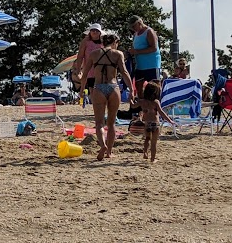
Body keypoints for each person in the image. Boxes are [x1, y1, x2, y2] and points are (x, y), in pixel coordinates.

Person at [86, 31, 131, 161]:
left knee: (99, 123)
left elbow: (85, 74)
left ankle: (103, 145)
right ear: (114, 42)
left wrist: (82, 89)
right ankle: (109, 152)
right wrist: (132, 90)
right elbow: (124, 72)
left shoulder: (94, 54)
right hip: (113, 87)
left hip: (99, 87)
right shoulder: (118, 54)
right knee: (111, 124)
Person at [133, 79, 175, 163]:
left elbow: (133, 106)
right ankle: (152, 159)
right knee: (154, 143)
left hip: (147, 123)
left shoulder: (142, 102)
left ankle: (145, 152)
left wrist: (130, 99)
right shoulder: (156, 102)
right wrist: (170, 120)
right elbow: (161, 113)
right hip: (155, 124)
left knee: (147, 139)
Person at [73, 23, 104, 98]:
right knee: (92, 88)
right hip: (90, 69)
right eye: (93, 30)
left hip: (102, 69)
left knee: (101, 91)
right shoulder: (86, 41)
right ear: (90, 32)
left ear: (100, 32)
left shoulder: (104, 42)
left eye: (96, 30)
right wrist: (78, 69)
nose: (94, 32)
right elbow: (80, 56)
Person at [128, 17, 162, 84]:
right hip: (139, 66)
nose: (133, 28)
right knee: (138, 86)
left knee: (155, 87)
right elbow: (134, 48)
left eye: (134, 26)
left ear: (139, 23)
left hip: (152, 65)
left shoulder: (149, 32)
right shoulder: (135, 35)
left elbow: (154, 48)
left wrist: (137, 51)